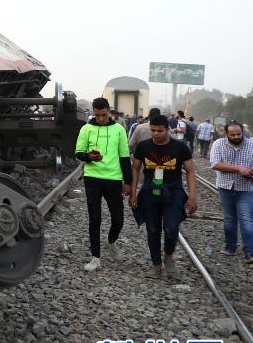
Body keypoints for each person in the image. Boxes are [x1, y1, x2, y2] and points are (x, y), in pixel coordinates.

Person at [130, 115, 197, 278]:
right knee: (152, 229)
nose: (155, 134)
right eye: (153, 130)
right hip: (150, 192)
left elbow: (190, 171)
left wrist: (192, 196)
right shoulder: (143, 147)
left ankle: (168, 256)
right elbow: (136, 169)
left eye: (160, 130)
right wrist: (133, 193)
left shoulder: (180, 148)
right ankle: (156, 265)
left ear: (168, 129)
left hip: (173, 192)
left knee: (171, 227)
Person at [75, 97, 133, 272]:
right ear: (93, 112)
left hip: (113, 179)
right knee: (95, 218)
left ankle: (111, 241)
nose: (100, 118)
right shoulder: (86, 129)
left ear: (109, 112)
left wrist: (128, 182)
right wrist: (89, 158)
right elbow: (78, 153)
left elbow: (124, 157)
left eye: (103, 115)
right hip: (92, 178)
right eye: (97, 115)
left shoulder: (119, 130)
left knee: (118, 219)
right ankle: (95, 257)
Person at [209, 121, 253, 262]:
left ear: (242, 132)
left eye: (238, 134)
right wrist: (239, 169)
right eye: (232, 134)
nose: (236, 137)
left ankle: (249, 252)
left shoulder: (251, 145)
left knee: (246, 220)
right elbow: (215, 164)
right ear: (226, 134)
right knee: (229, 219)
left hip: (246, 188)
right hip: (225, 187)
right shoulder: (218, 144)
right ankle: (230, 247)